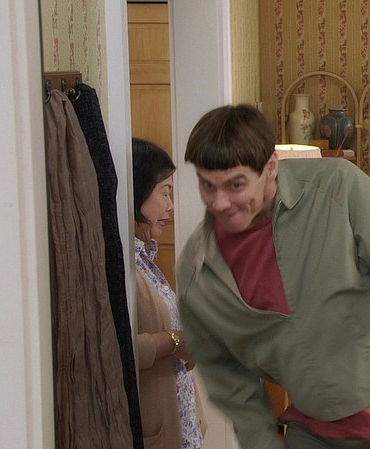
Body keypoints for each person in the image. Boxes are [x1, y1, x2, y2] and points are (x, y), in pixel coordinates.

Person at [176, 104, 370, 449]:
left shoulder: (337, 186)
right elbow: (227, 379)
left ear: (271, 167)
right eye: (207, 185)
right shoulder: (198, 273)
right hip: (317, 429)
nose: (220, 203)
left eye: (236, 185)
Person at [132, 138, 206, 449]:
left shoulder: (145, 260)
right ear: (137, 192)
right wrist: (175, 341)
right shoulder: (123, 266)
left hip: (182, 426)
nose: (170, 205)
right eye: (164, 192)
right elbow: (118, 348)